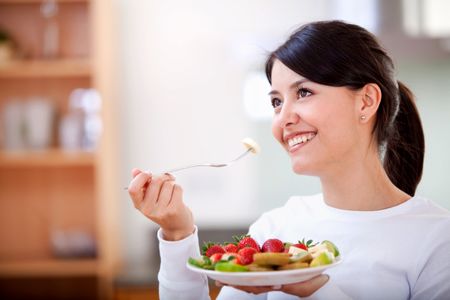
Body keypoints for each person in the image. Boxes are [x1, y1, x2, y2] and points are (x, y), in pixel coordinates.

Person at [127, 20, 450, 299]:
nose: (283, 119)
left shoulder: (437, 238)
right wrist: (177, 232)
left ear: (366, 102)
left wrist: (316, 289)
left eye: (304, 93)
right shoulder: (276, 228)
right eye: (276, 102)